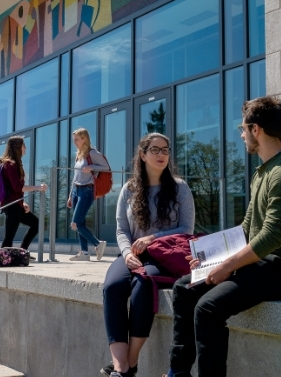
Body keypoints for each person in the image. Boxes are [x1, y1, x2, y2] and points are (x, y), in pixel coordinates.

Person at [163, 96, 281, 377]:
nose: (242, 135)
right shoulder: (262, 172)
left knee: (207, 309)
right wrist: (207, 257)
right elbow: (247, 228)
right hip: (260, 264)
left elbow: (273, 236)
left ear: (256, 129)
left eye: (243, 129)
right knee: (184, 288)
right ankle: (177, 372)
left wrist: (227, 266)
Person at [102, 133, 195, 377]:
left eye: (165, 150)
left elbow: (187, 230)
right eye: (155, 150)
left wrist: (152, 238)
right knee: (112, 286)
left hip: (163, 256)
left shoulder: (180, 188)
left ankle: (130, 363)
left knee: (143, 283)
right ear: (142, 155)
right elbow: (121, 229)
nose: (161, 154)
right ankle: (120, 365)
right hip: (132, 254)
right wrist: (126, 253)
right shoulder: (129, 189)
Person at [67, 128, 110, 261]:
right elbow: (75, 177)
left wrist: (92, 167)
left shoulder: (92, 153)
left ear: (84, 139)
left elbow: (106, 167)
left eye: (77, 139)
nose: (74, 142)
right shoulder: (78, 155)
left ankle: (98, 244)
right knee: (81, 222)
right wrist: (70, 195)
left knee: (76, 223)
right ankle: (84, 252)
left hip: (87, 190)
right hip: (76, 190)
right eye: (74, 140)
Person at [0, 135, 47, 249]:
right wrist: (38, 187)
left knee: (37, 224)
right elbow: (17, 187)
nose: (25, 147)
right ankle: (3, 259)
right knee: (9, 235)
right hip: (12, 205)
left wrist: (22, 203)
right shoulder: (10, 164)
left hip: (16, 204)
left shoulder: (14, 164)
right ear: (17, 146)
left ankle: (22, 252)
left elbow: (14, 188)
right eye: (24, 145)